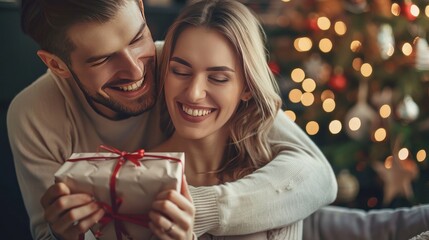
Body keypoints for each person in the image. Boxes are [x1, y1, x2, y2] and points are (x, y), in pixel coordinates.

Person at [8, 0, 337, 239]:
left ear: (140, 7)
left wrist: (194, 208)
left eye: (137, 39)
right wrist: (63, 232)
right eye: (104, 59)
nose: (137, 71)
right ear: (57, 64)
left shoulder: (181, 61)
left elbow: (316, 176)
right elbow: (46, 235)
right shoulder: (34, 116)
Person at [148, 0, 302, 238]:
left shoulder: (276, 190)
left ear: (247, 88)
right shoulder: (137, 176)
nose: (193, 93)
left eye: (218, 78)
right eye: (180, 71)